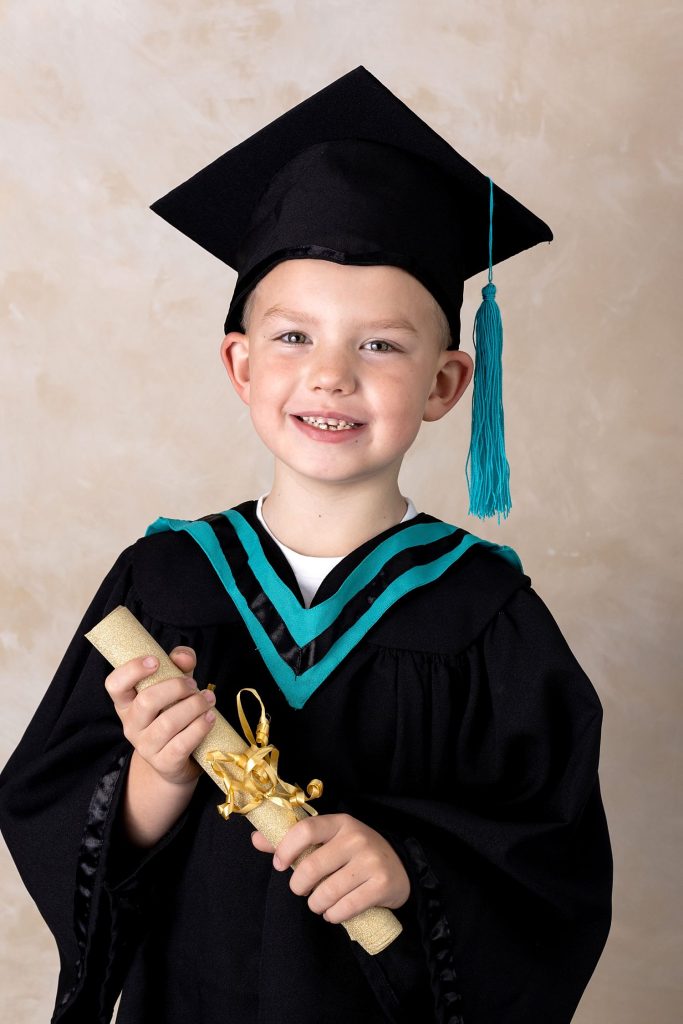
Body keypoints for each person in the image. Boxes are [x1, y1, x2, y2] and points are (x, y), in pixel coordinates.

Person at [0, 66, 612, 1023]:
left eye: (379, 346)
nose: (328, 376)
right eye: (291, 337)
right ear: (239, 365)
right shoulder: (162, 583)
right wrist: (152, 782)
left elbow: (553, 864)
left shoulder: (484, 611)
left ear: (448, 385)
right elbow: (47, 804)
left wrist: (410, 871)